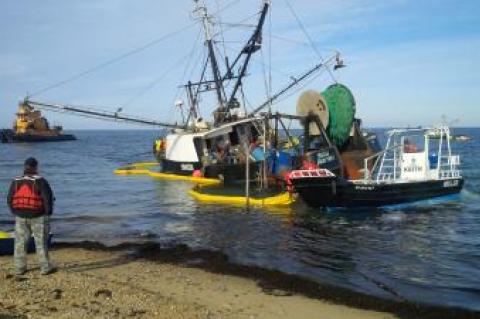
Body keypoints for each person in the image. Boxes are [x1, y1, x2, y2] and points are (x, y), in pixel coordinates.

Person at [7, 157, 55, 275]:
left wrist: (14, 212)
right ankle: (45, 268)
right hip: (39, 216)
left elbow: (9, 199)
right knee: (41, 243)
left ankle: (19, 268)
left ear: (25, 167)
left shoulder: (16, 181)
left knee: (20, 243)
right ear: (36, 167)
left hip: (20, 216)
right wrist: (48, 213)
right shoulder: (41, 181)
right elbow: (47, 199)